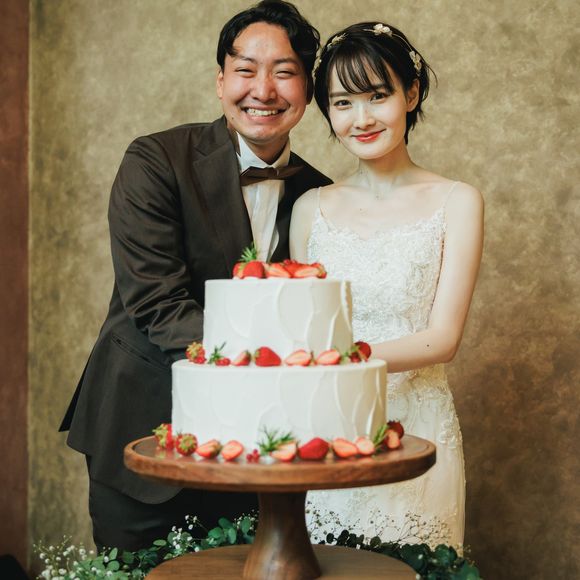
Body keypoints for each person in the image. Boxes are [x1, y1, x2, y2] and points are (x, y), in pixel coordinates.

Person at [59, 0, 330, 552]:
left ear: (306, 90)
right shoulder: (155, 160)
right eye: (246, 70)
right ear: (220, 81)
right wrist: (261, 371)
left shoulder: (321, 196)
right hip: (142, 427)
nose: (263, 90)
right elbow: (157, 303)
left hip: (256, 451)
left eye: (284, 72)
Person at [290, 22, 483, 548]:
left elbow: (443, 340)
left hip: (419, 425)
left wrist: (340, 359)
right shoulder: (310, 208)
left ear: (410, 94)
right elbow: (303, 328)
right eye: (343, 102)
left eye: (378, 96)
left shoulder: (457, 201)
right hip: (330, 426)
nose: (362, 118)